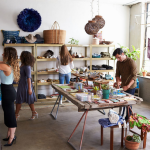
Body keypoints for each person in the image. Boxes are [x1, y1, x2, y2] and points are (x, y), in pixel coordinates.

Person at [0, 47, 20, 146]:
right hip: (7, 91)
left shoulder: (6, 66)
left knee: (10, 115)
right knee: (8, 114)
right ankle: (9, 134)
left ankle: (12, 137)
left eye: (4, 53)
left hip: (8, 93)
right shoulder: (7, 64)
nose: (2, 54)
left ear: (8, 55)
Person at [113, 48, 137, 121]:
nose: (118, 59)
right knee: (122, 102)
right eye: (116, 58)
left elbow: (134, 76)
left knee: (128, 104)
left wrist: (128, 86)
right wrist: (117, 84)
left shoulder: (131, 62)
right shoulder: (118, 62)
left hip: (131, 86)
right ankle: (121, 117)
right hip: (123, 86)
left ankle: (128, 119)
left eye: (119, 57)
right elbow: (117, 74)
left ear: (123, 54)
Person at [15, 51, 38, 120]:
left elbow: (29, 77)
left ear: (24, 57)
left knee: (26, 99)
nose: (20, 56)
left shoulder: (27, 66)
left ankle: (16, 115)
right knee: (20, 99)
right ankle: (33, 112)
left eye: (21, 55)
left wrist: (29, 88)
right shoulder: (22, 65)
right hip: (21, 84)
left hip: (26, 85)